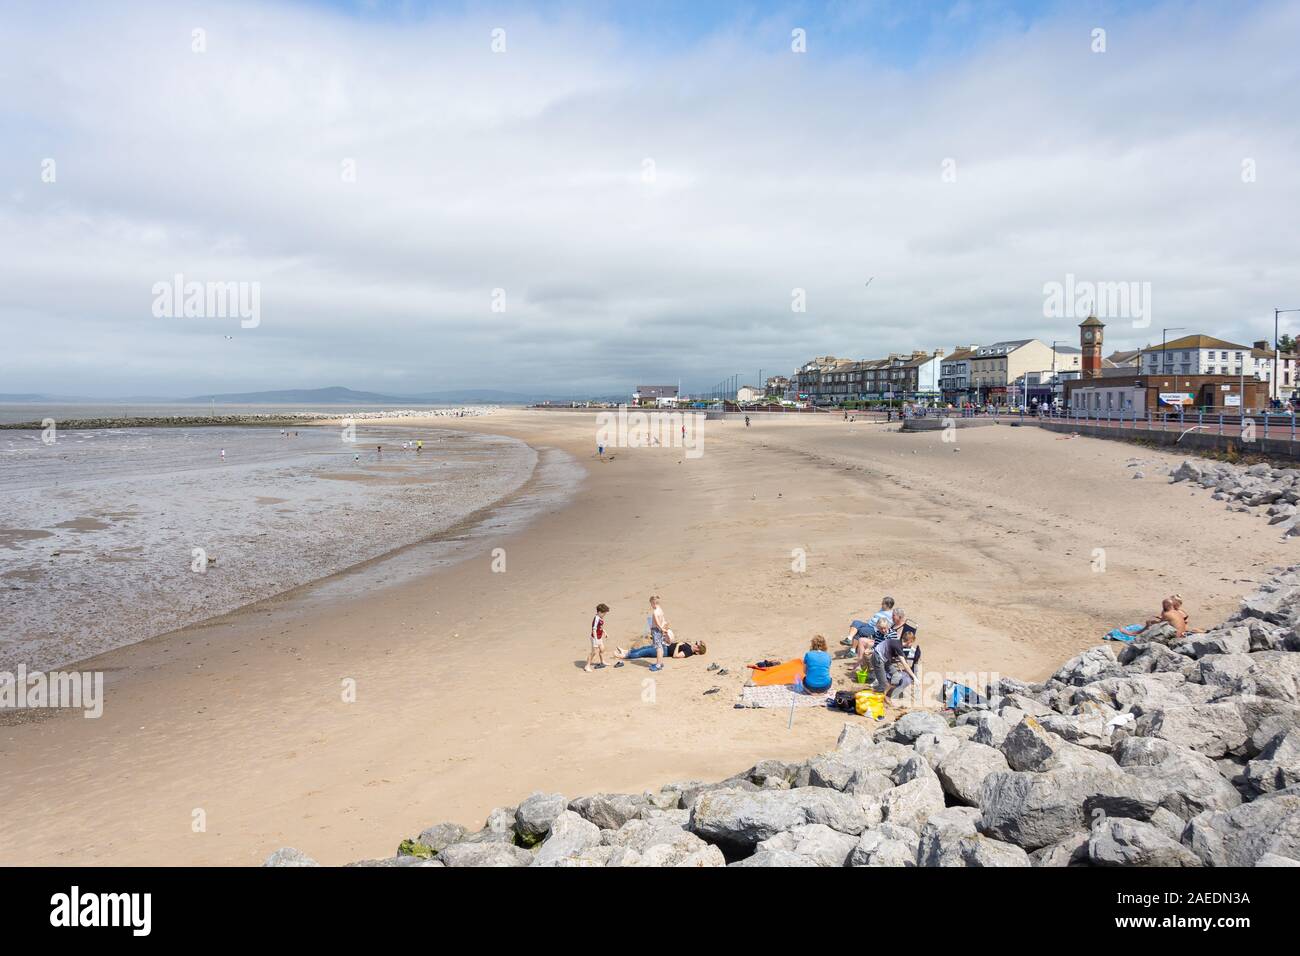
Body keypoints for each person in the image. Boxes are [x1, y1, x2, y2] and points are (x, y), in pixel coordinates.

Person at [884, 623, 922, 698]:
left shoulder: (897, 643)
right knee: (906, 680)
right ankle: (892, 695)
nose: (911, 645)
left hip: (887, 664)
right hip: (888, 668)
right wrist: (914, 677)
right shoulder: (899, 649)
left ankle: (891, 692)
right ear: (909, 641)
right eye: (911, 643)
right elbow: (904, 664)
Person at [648, 595, 674, 672]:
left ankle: (658, 665)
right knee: (660, 647)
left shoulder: (655, 612)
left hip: (656, 631)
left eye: (651, 604)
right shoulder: (660, 609)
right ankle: (660, 662)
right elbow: (663, 620)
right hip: (660, 630)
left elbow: (657, 623)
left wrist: (661, 629)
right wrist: (664, 627)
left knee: (658, 648)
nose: (651, 606)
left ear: (653, 603)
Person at [616, 640, 706, 661]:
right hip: (665, 646)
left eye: (697, 645)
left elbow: (675, 656)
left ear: (697, 651)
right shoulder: (689, 646)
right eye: (697, 643)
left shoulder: (688, 652)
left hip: (665, 651)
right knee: (644, 648)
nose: (696, 644)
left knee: (644, 652)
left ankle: (625, 656)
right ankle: (627, 651)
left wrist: (678, 645)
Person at [585, 603, 610, 672]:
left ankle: (602, 661)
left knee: (602, 649)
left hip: (599, 637)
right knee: (593, 652)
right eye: (604, 613)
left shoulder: (600, 618)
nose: (604, 615)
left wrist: (605, 632)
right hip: (594, 638)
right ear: (599, 612)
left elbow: (600, 627)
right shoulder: (596, 619)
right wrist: (595, 640)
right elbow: (594, 629)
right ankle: (587, 666)